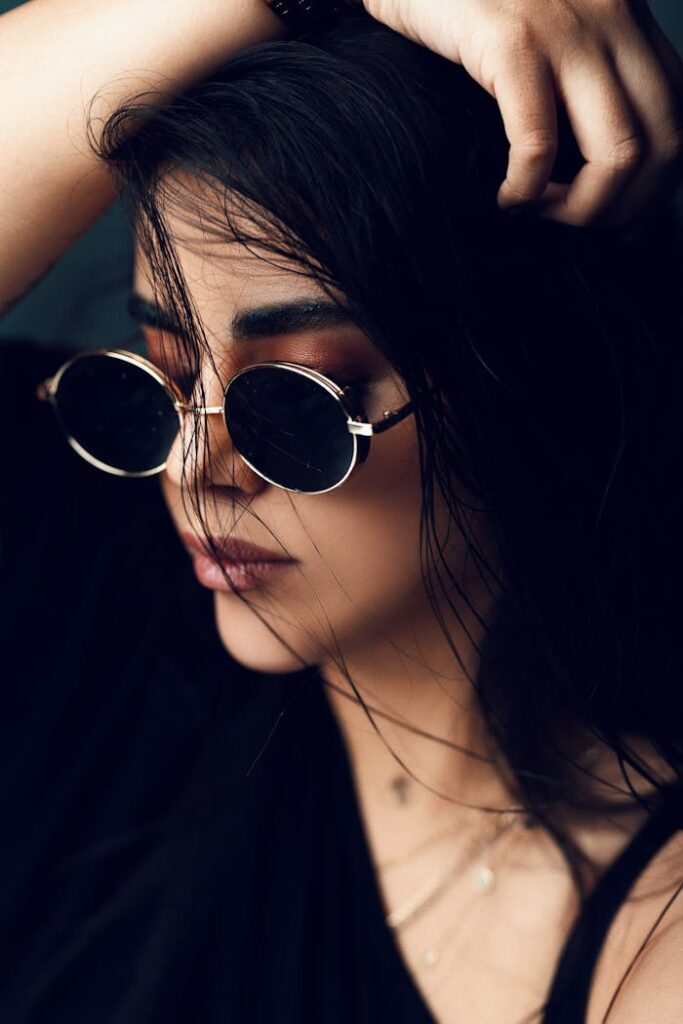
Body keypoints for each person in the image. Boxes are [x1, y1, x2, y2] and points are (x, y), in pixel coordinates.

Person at [1, 2, 683, 1023]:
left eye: (296, 401)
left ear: (520, 386)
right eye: (161, 374)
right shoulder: (90, 591)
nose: (194, 462)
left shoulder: (646, 931)